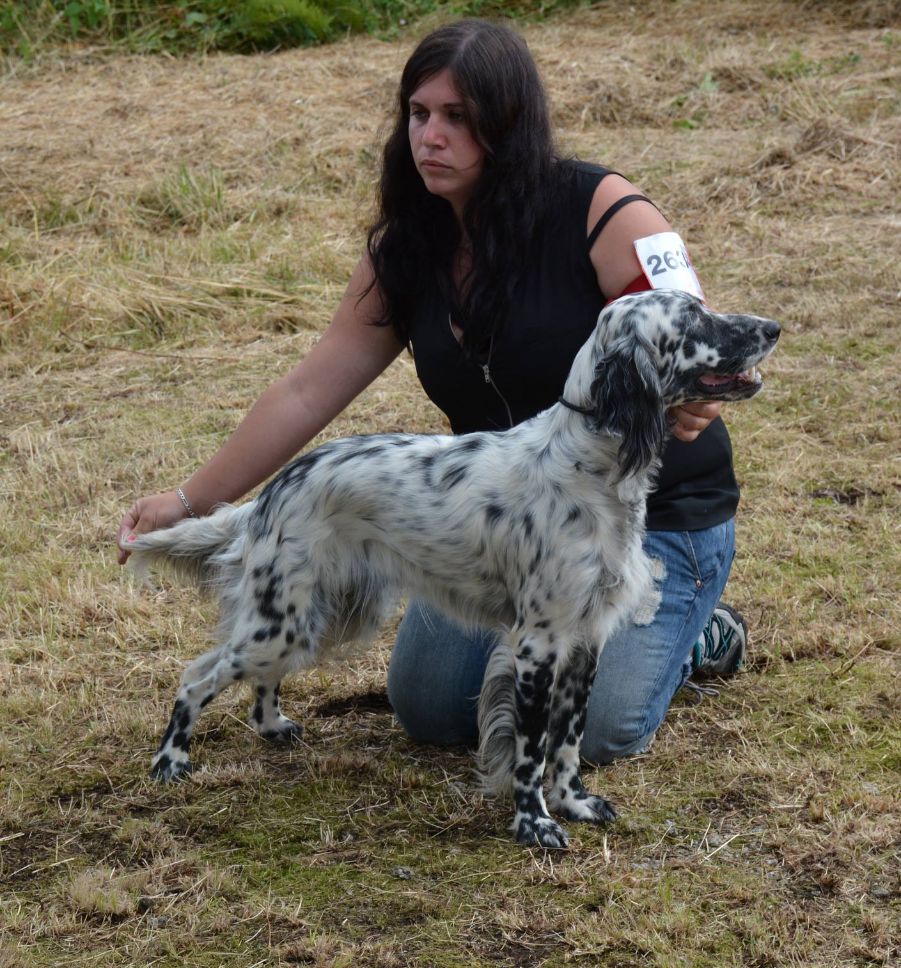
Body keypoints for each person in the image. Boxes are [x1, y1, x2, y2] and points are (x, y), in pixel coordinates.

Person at [118, 19, 748, 764]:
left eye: (456, 117)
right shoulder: (407, 246)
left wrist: (694, 397)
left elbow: (695, 335)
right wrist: (191, 502)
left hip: (648, 523)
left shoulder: (605, 212)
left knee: (599, 726)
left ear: (506, 125)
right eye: (418, 114)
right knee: (428, 711)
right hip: (502, 529)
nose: (430, 137)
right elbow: (307, 388)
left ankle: (697, 634)